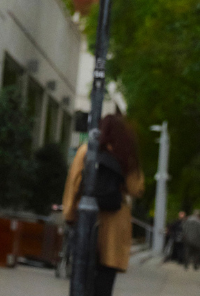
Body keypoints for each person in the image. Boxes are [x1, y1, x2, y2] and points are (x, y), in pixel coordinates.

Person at [62, 114, 145, 296]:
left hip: (87, 220)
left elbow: (73, 183)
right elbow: (136, 188)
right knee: (105, 278)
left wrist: (69, 215)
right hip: (115, 223)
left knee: (81, 275)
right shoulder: (126, 154)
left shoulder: (86, 150)